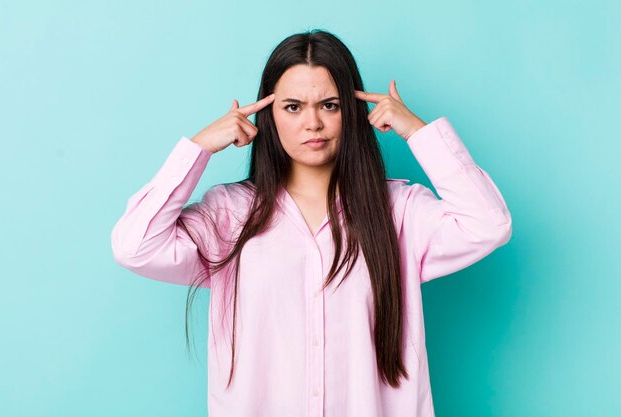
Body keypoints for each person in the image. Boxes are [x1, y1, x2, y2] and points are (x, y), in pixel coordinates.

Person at [111, 29, 512, 417]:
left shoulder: (399, 210)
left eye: (329, 105)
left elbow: (488, 225)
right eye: (293, 106)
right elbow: (135, 246)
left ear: (351, 114)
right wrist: (199, 148)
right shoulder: (229, 215)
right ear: (268, 115)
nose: (313, 123)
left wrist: (418, 132)